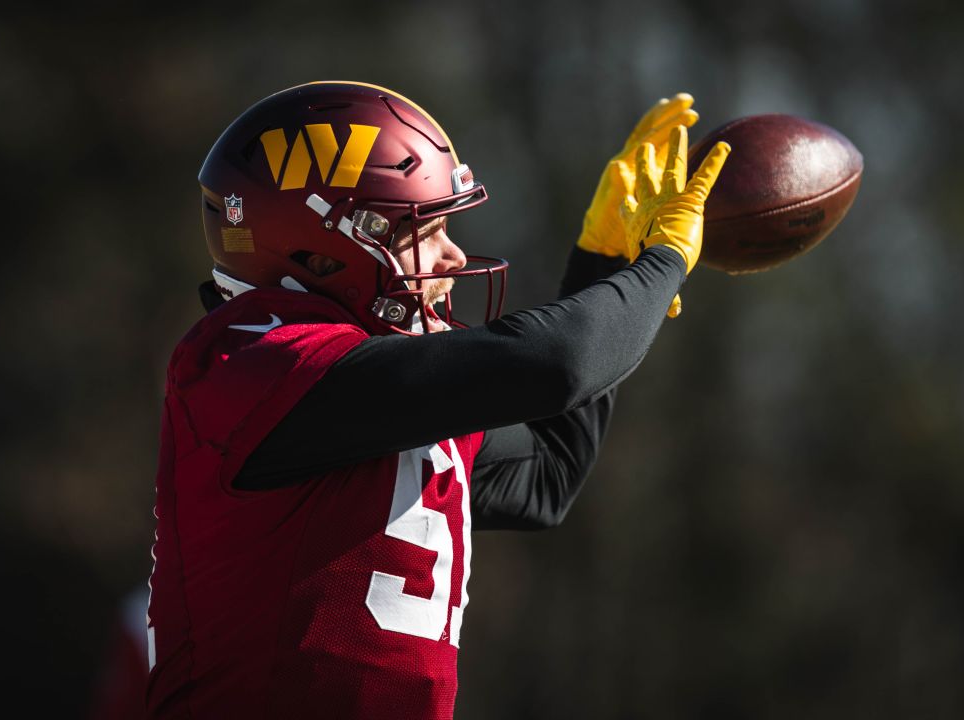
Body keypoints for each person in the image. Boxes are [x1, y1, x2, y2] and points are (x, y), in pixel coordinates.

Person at [145, 80, 730, 719]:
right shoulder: (248, 362)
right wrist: (660, 261)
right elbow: (561, 362)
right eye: (423, 231)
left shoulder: (370, 390)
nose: (451, 257)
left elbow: (548, 474)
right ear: (320, 249)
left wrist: (603, 262)